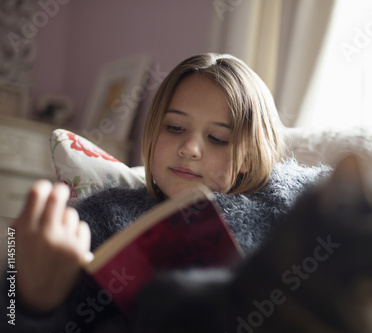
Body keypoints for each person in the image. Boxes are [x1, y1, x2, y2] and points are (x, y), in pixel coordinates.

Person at [3, 53, 289, 332]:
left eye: (218, 138)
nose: (189, 148)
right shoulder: (101, 215)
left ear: (248, 159)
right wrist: (33, 303)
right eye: (175, 127)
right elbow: (12, 313)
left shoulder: (284, 213)